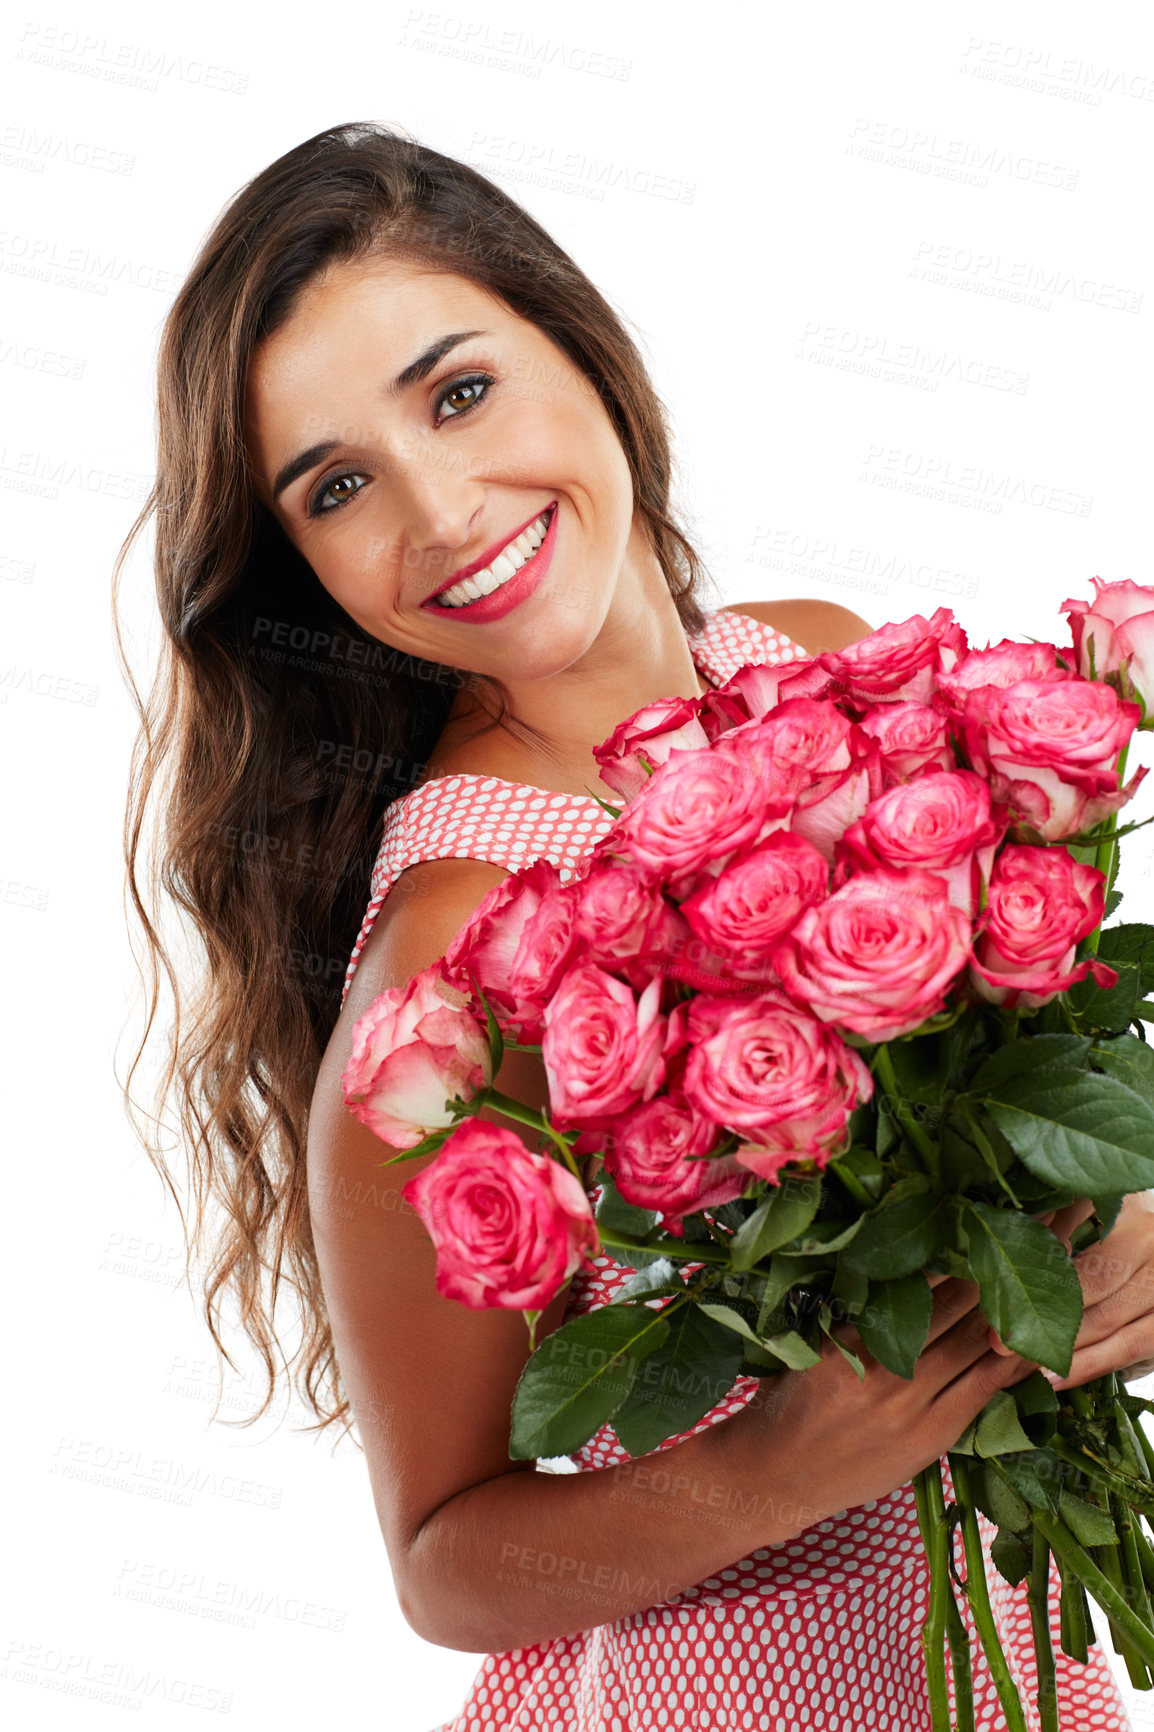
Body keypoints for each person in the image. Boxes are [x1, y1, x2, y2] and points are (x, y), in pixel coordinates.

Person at [117, 121, 1154, 1730]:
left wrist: (1094, 1247)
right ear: (301, 561)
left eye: (457, 393)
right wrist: (758, 1470)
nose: (446, 509)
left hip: (986, 1653)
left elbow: (992, 1153)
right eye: (338, 488)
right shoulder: (456, 948)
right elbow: (440, 1561)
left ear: (580, 344)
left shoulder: (823, 667)